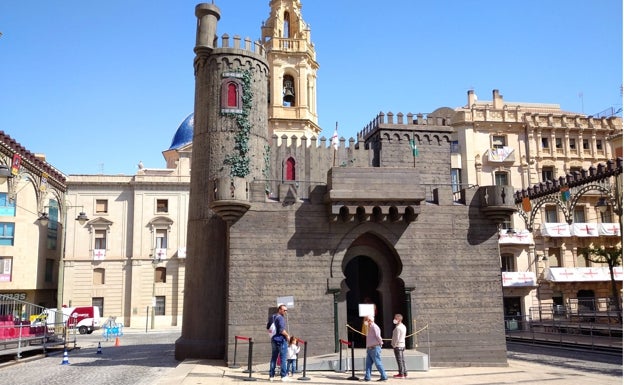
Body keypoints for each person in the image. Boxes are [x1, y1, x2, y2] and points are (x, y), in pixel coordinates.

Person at [267, 304, 290, 382]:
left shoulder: (272, 317)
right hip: (281, 340)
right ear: (279, 310)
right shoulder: (281, 318)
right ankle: (283, 376)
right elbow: (281, 330)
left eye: (286, 310)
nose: (285, 311)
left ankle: (271, 376)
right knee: (283, 359)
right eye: (284, 310)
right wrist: (287, 336)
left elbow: (268, 327)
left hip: (273, 339)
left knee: (273, 358)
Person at [364, 315, 388, 382]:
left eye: (366, 319)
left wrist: (381, 343)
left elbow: (378, 336)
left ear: (370, 320)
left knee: (377, 362)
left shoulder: (374, 327)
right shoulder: (368, 327)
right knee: (368, 363)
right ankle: (367, 377)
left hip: (375, 347)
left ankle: (384, 376)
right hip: (369, 348)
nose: (365, 321)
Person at [391, 313, 408, 378]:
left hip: (398, 346)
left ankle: (401, 373)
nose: (394, 319)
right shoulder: (403, 326)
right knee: (402, 360)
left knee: (399, 360)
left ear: (398, 319)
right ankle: (405, 372)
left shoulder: (398, 328)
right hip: (402, 345)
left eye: (395, 318)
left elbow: (396, 338)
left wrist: (394, 345)